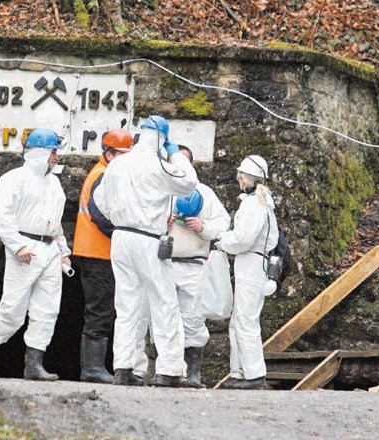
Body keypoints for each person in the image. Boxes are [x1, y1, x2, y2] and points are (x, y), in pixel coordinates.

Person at [96, 115, 198, 387]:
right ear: (162, 138)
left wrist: (121, 216)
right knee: (164, 302)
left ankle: (123, 366)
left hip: (121, 236)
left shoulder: (117, 163)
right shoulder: (158, 165)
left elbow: (100, 199)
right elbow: (188, 182)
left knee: (127, 304)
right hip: (148, 238)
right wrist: (177, 156)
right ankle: (170, 368)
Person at [0, 128, 72, 381]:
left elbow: (56, 222)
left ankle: (34, 364)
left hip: (50, 249)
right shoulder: (13, 179)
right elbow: (4, 218)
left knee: (47, 309)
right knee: (13, 308)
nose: (56, 157)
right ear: (40, 152)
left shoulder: (54, 183)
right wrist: (17, 246)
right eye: (53, 152)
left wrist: (63, 251)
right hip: (25, 248)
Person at [73, 128, 133, 384]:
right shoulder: (103, 176)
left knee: (102, 309)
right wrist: (122, 235)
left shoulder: (104, 173)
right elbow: (100, 216)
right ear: (108, 153)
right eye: (120, 154)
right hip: (98, 252)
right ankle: (93, 368)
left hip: (98, 252)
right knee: (100, 310)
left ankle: (94, 367)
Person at [168, 145, 230, 388]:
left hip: (194, 264)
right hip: (164, 262)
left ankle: (193, 374)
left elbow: (223, 223)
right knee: (165, 318)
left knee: (193, 318)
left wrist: (203, 227)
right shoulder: (162, 190)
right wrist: (164, 220)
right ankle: (170, 370)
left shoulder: (205, 192)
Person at [216, 155, 278, 390]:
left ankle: (253, 374)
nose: (237, 179)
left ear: (248, 178)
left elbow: (243, 239)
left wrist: (223, 240)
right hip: (250, 263)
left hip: (251, 264)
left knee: (246, 319)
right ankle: (240, 371)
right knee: (240, 319)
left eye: (240, 175)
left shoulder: (254, 205)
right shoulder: (258, 203)